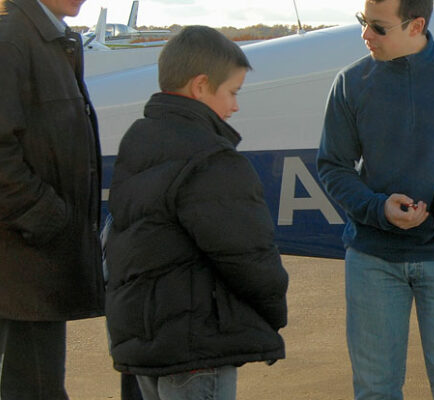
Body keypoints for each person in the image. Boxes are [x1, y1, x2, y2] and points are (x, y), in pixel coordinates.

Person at [316, 0, 434, 398]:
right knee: (375, 389)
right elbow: (332, 166)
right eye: (362, 22)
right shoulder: (350, 82)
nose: (365, 35)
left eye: (378, 27)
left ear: (416, 24)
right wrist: (378, 209)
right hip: (373, 260)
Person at [103, 25, 288, 400]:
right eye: (232, 92)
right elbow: (249, 255)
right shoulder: (212, 159)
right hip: (197, 347)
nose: (235, 106)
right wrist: (274, 312)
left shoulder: (139, 139)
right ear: (201, 86)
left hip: (145, 344)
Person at [0, 0, 102, 398]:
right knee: (31, 391)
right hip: (23, 259)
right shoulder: (7, 39)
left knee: (15, 386)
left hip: (29, 258)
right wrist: (45, 217)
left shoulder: (37, 36)